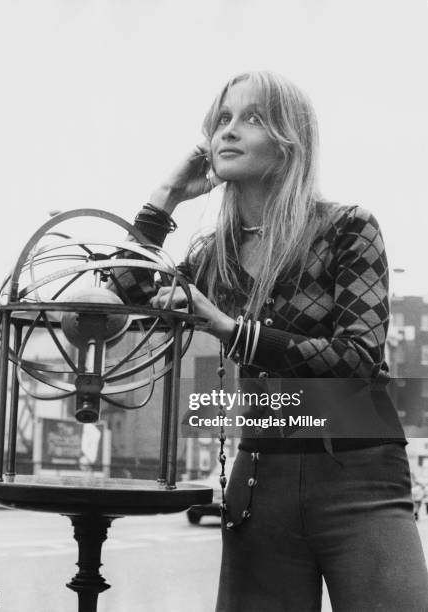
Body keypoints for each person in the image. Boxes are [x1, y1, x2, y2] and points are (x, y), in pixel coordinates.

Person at [115, 71, 428, 611]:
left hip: (359, 473)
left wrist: (233, 332)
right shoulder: (215, 254)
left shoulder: (348, 228)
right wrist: (164, 198)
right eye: (222, 119)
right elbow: (134, 295)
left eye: (252, 118)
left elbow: (357, 356)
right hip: (260, 476)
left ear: (289, 141)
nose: (228, 132)